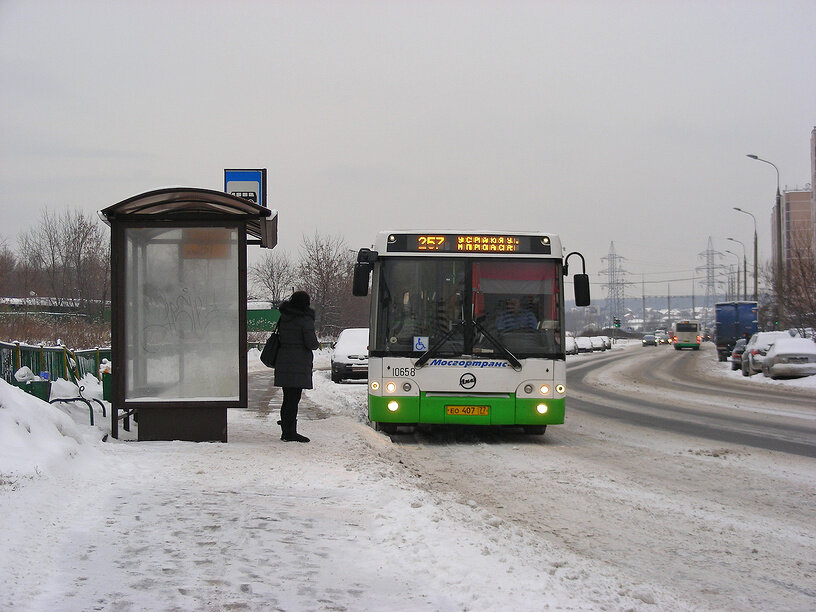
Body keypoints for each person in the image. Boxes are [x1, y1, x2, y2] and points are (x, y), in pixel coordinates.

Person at [273, 291, 320, 442]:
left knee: (287, 398)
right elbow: (311, 343)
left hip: (283, 360)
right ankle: (290, 432)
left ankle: (286, 430)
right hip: (298, 363)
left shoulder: (284, 317)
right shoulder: (304, 320)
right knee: (293, 399)